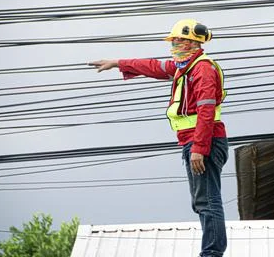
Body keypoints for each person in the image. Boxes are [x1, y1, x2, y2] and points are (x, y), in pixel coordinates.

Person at [89, 19, 228, 257]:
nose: (173, 44)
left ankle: (212, 253)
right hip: (193, 142)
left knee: (207, 201)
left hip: (203, 142)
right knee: (201, 201)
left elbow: (206, 109)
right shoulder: (184, 67)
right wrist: (117, 63)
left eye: (178, 40)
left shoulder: (202, 68)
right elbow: (153, 66)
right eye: (173, 40)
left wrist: (199, 147)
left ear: (193, 42)